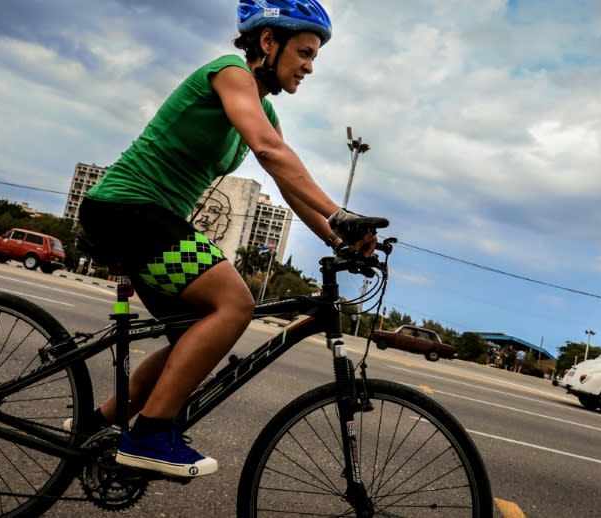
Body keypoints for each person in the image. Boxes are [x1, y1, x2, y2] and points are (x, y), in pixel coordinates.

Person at [75, 0, 377, 479]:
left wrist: (335, 239)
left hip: (153, 218)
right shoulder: (230, 73)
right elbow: (270, 150)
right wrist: (340, 214)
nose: (310, 66)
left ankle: (92, 430)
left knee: (192, 336)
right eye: (304, 52)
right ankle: (151, 434)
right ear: (267, 42)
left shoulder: (266, 110)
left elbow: (286, 181)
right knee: (234, 304)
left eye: (314, 56)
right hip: (127, 209)